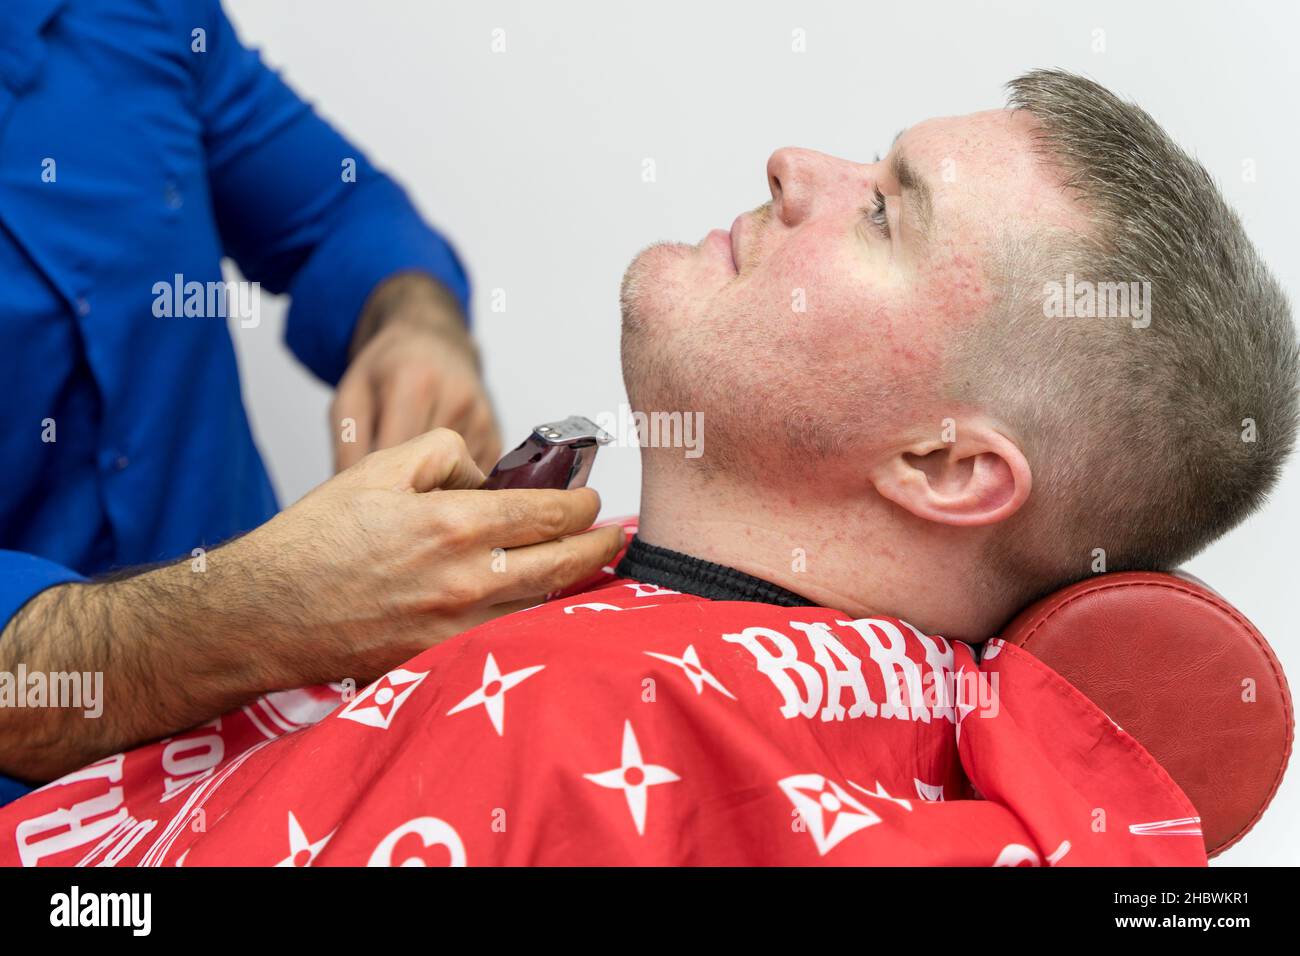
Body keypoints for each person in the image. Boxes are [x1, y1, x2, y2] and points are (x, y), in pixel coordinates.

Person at [1, 70, 1295, 867]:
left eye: (888, 208)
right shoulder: (838, 701)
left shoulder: (570, 728)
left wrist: (410, 312)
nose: (794, 163)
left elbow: (334, 210)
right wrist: (220, 618)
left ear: (948, 466)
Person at [0, 0, 626, 800]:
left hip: (272, 760)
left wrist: (413, 323)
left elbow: (343, 211)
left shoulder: (134, 15)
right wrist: (260, 615)